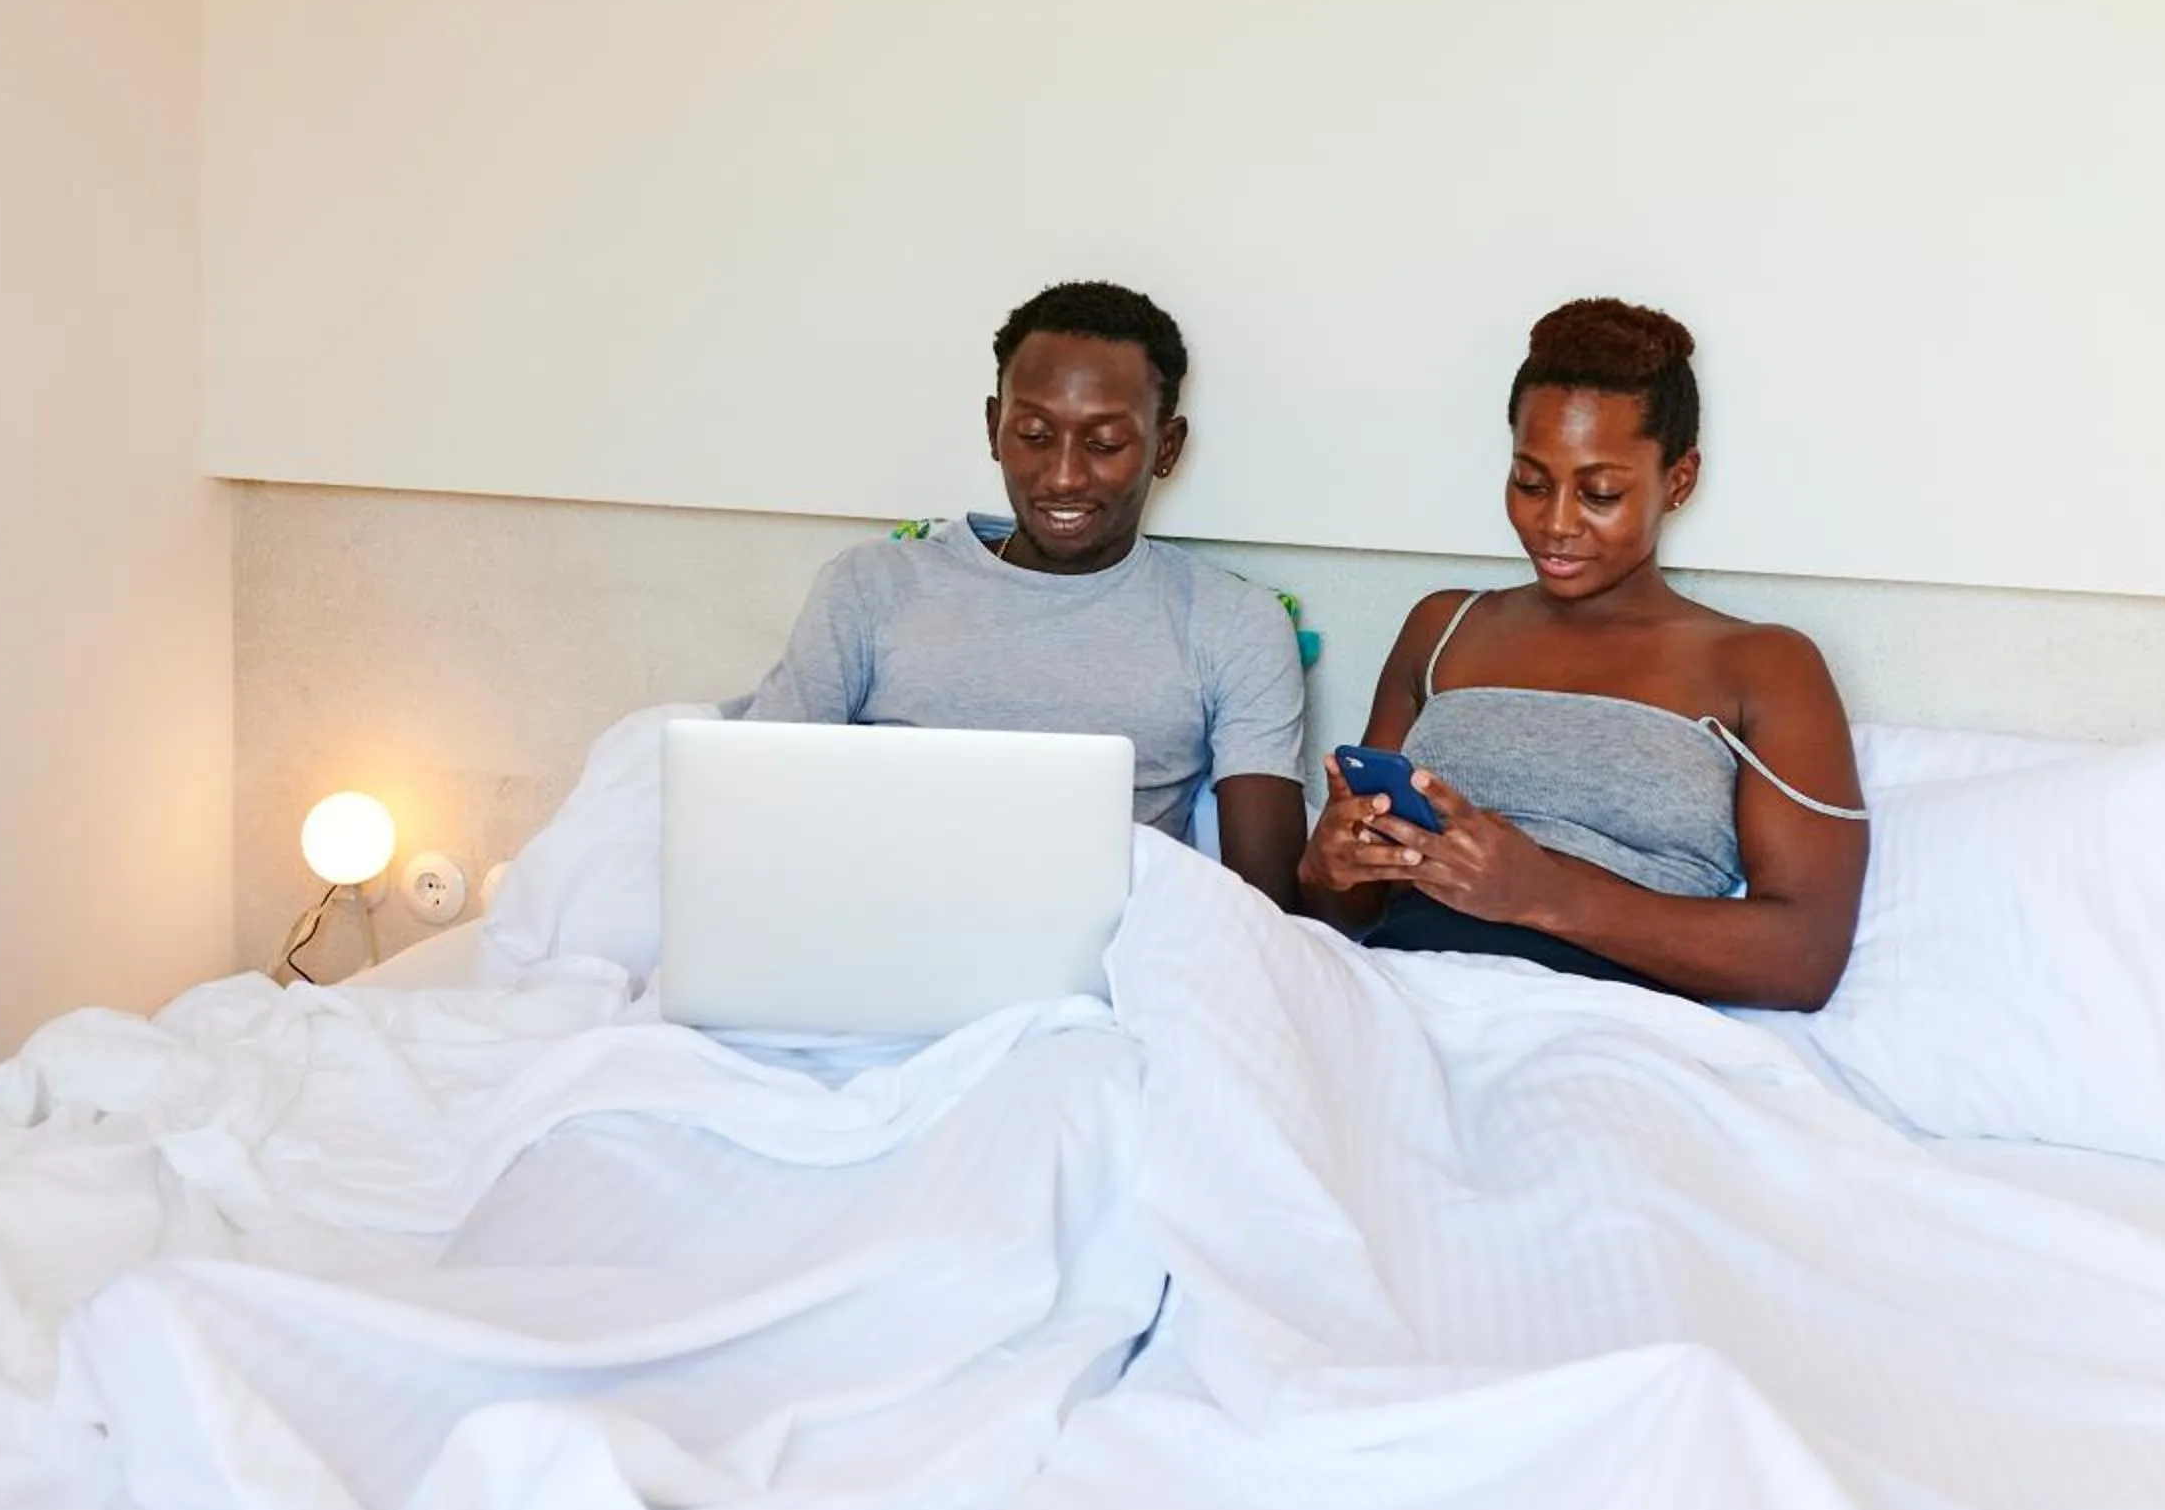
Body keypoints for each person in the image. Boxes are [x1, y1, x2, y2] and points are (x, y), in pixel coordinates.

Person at [1297, 299, 1869, 1009]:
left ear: (1679, 481)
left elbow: (1804, 960)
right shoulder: (1444, 629)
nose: (1556, 522)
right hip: (1393, 999)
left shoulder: (1763, 666)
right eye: (1531, 483)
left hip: (1596, 1027)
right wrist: (1331, 867)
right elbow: (1350, 914)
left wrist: (1545, 894)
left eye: (1600, 493)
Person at [745, 280, 1311, 909]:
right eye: (1036, 435)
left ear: (1166, 447)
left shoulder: (1233, 622)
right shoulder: (870, 586)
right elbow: (754, 813)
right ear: (994, 429)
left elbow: (1267, 908)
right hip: (875, 924)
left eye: (1104, 444)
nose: (1064, 476)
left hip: (1107, 973)